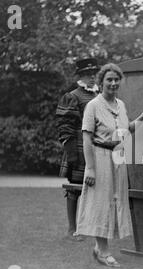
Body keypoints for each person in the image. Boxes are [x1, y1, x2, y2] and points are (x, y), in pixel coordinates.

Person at [74, 63, 143, 267]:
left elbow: (126, 130)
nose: (113, 83)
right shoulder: (93, 105)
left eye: (116, 79)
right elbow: (86, 138)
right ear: (101, 82)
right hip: (99, 158)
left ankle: (100, 248)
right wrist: (90, 168)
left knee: (115, 201)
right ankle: (104, 252)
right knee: (102, 203)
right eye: (109, 79)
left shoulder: (121, 105)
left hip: (118, 158)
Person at [56, 58, 100, 241]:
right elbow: (64, 127)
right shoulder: (72, 96)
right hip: (79, 149)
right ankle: (72, 229)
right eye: (87, 74)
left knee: (94, 188)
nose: (91, 77)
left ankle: (87, 226)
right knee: (74, 189)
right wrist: (72, 152)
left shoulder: (100, 96)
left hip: (97, 148)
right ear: (80, 76)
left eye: (94, 74)